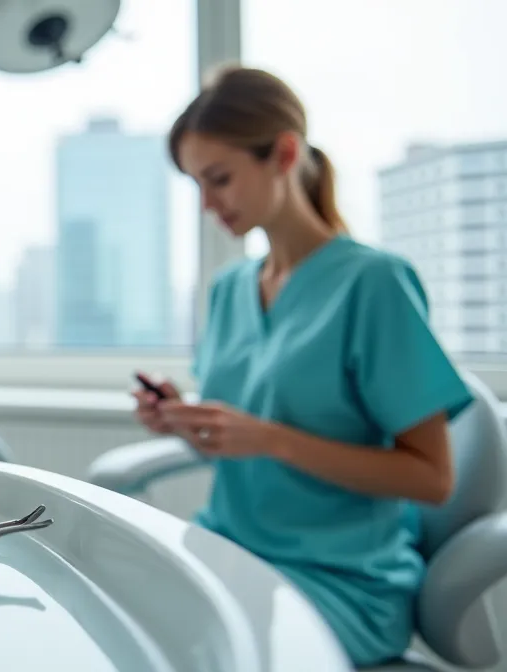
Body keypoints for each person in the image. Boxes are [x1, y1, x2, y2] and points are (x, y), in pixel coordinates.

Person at [133, 65, 474, 667]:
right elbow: (238, 447)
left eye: (220, 179)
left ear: (283, 154)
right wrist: (184, 421)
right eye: (197, 186)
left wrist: (272, 439)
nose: (208, 204)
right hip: (228, 551)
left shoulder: (374, 285)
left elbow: (431, 478)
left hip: (339, 581)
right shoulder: (230, 289)